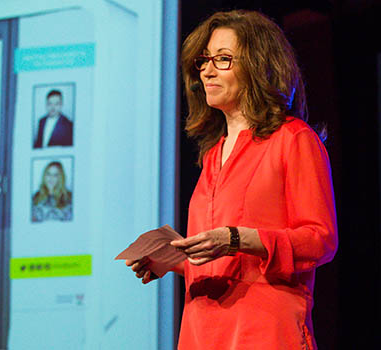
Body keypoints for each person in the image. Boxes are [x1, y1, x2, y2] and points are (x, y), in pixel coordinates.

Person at [127, 10, 337, 350]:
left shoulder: (293, 139)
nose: (207, 70)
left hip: (264, 332)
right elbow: (223, 261)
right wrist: (173, 259)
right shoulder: (213, 154)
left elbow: (320, 240)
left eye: (223, 59)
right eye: (205, 60)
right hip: (201, 332)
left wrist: (236, 238)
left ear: (258, 66)